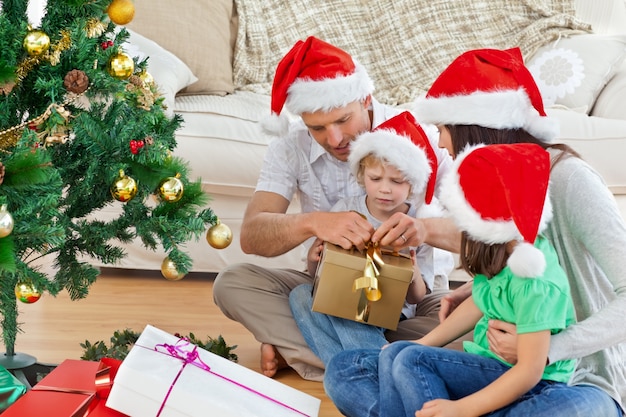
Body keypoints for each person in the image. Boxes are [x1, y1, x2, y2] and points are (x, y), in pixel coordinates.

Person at [326, 47, 625, 416]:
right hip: (496, 365)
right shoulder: (488, 190)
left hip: (576, 380)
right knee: (347, 369)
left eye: (442, 129)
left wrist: (552, 348)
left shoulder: (569, 180)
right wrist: (472, 289)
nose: (439, 144)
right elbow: (512, 266)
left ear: (474, 129)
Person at [212, 36, 454, 381]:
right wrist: (313, 224)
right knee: (232, 283)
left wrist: (425, 231)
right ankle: (391, 361)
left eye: (343, 119)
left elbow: (481, 235)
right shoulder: (290, 147)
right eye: (318, 128)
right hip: (327, 295)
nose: (336, 138)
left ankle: (305, 349)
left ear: (365, 99)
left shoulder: (418, 137)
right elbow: (252, 237)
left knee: (471, 326)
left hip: (416, 301)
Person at [289, 111, 449, 367]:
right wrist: (313, 259)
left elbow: (417, 299)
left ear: (412, 185)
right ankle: (366, 365)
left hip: (390, 311)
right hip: (341, 298)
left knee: (350, 310)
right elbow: (320, 274)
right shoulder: (345, 209)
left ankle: (359, 367)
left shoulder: (417, 224)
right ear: (362, 177)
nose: (385, 188)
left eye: (396, 181)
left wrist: (413, 273)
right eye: (376, 179)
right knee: (300, 295)